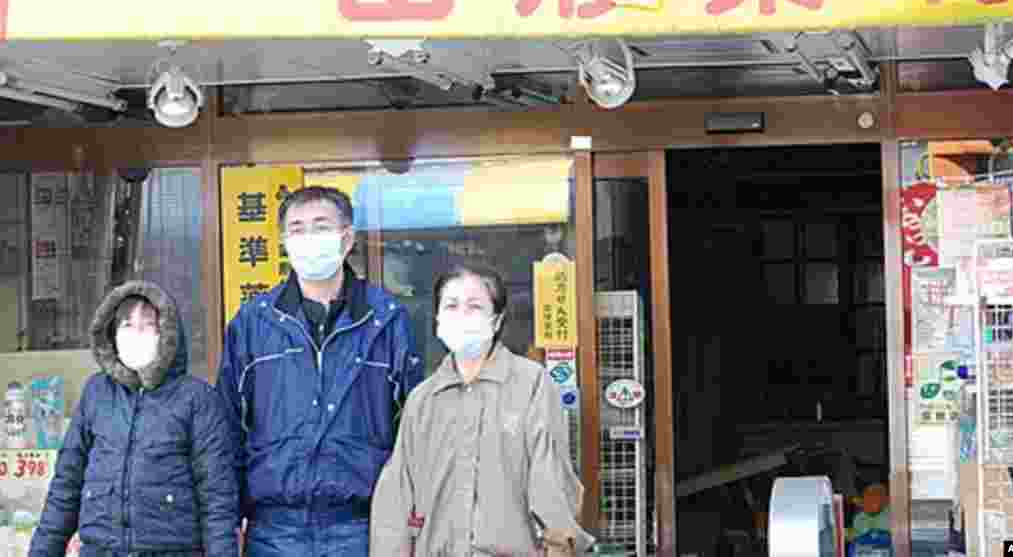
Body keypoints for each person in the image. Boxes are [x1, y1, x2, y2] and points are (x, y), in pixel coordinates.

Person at [217, 186, 423, 556]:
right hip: (272, 530)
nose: (308, 238)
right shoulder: (253, 322)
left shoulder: (386, 319)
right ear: (283, 242)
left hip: (361, 526)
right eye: (297, 229)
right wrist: (226, 522)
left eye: (320, 226)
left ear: (347, 239)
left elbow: (413, 428)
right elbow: (227, 426)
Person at [370, 264, 594, 556]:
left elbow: (550, 480)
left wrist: (558, 546)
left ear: (497, 319)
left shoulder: (531, 384)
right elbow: (397, 498)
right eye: (451, 306)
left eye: (475, 306)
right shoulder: (422, 400)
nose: (461, 315)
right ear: (437, 318)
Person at [29, 281, 239, 557]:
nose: (135, 333)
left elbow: (217, 498)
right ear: (112, 333)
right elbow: (66, 485)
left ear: (166, 334)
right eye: (127, 325)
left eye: (147, 325)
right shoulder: (96, 393)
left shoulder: (196, 399)